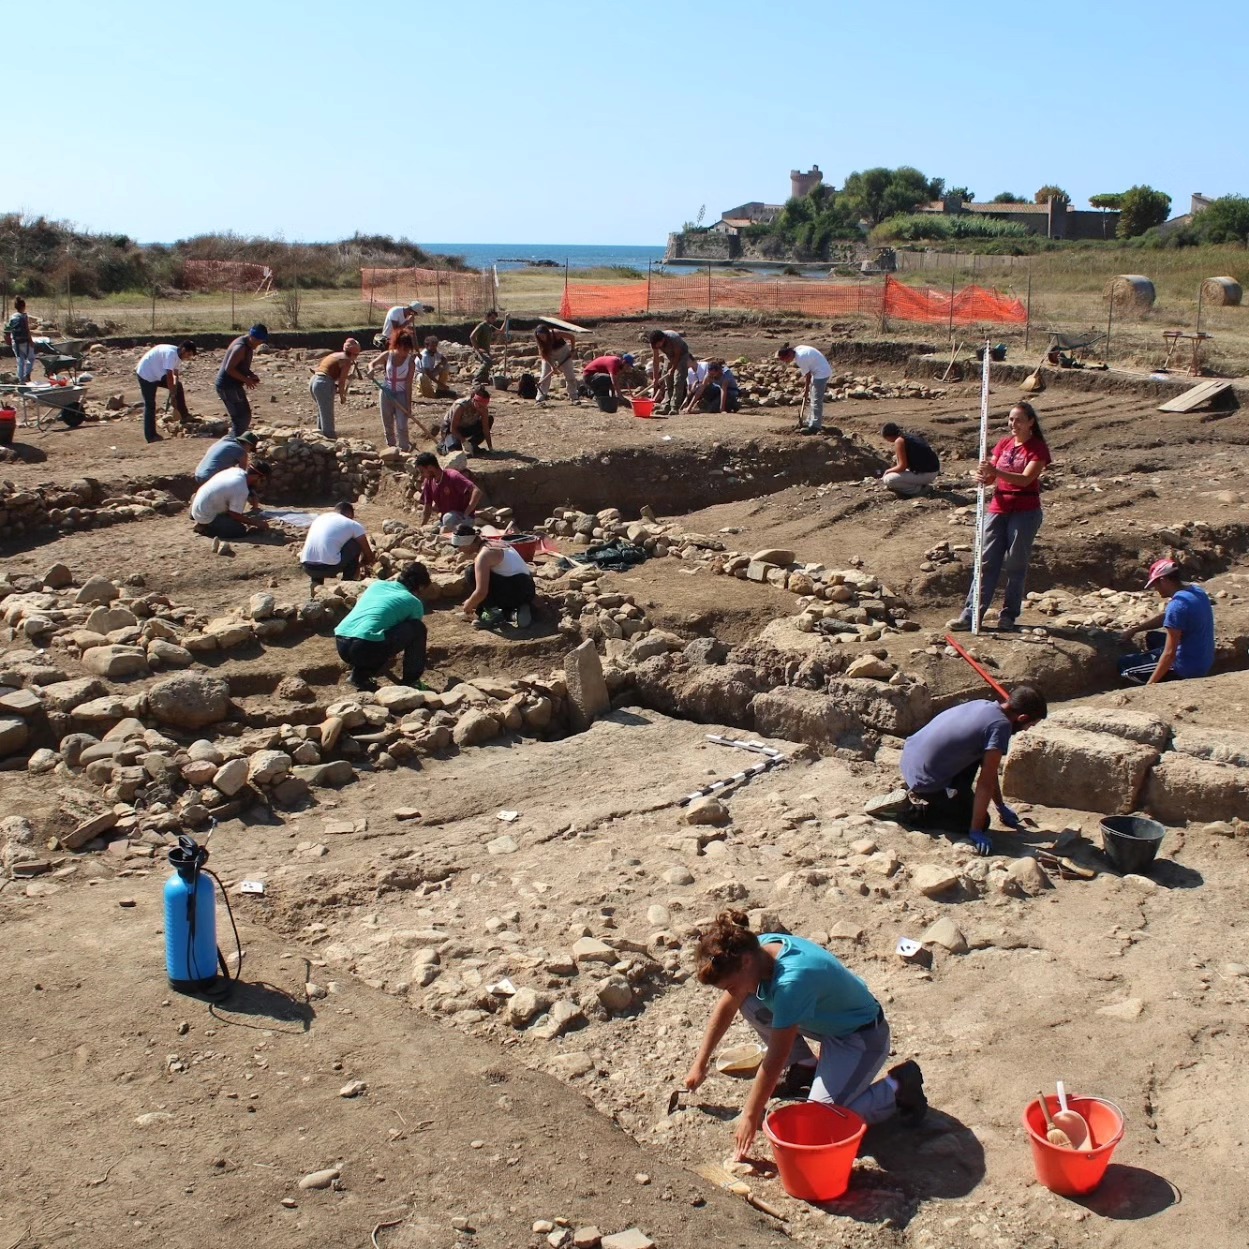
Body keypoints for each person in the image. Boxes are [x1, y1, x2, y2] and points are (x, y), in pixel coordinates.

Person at [684, 911, 926, 1162]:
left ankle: (897, 1088)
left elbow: (776, 1057)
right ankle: (805, 1066)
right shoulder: (755, 949)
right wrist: (700, 1063)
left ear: (745, 961)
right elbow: (727, 1006)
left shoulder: (790, 982)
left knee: (822, 1120)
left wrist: (750, 1114)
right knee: (747, 1001)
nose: (731, 992)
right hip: (826, 1021)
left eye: (730, 985)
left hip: (861, 1036)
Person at [866, 686, 1048, 856]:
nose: (1027, 729)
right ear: (1022, 718)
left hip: (911, 760)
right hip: (925, 780)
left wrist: (1000, 806)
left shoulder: (983, 704)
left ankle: (942, 796)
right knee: (980, 821)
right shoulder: (1000, 727)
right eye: (1030, 725)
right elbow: (985, 783)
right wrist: (976, 829)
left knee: (977, 759)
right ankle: (908, 811)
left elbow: (989, 771)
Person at [948, 401, 1051, 632]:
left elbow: (1025, 479)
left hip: (1025, 511)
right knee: (986, 561)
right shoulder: (1004, 444)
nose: (1013, 424)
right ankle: (971, 614)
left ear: (1030, 422)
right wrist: (984, 477)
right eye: (1011, 419)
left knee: (1015, 563)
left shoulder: (1037, 448)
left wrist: (995, 471)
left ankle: (1009, 615)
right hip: (999, 507)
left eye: (1018, 420)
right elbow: (991, 476)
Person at [334, 563, 431, 692]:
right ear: (420, 586)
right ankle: (412, 681)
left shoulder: (377, 585)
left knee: (376, 633)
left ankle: (359, 677)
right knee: (418, 629)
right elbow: (410, 635)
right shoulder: (414, 602)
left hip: (341, 642)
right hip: (364, 647)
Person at [1119, 559, 1216, 685]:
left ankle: (1160, 678)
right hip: (1203, 659)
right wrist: (1135, 630)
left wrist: (1150, 685)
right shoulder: (1197, 592)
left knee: (1124, 666)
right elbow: (1168, 618)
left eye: (1155, 584)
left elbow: (1169, 654)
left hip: (1186, 668)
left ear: (1163, 580)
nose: (1155, 589)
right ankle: (1152, 660)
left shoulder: (1177, 605)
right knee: (1152, 637)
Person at [452, 525, 537, 628]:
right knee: (483, 574)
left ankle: (493, 614)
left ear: (467, 543)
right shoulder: (495, 543)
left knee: (471, 572)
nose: (459, 550)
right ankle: (513, 613)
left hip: (516, 592)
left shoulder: (484, 555)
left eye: (459, 546)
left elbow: (481, 592)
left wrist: (469, 604)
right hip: (527, 589)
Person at [189, 461, 271, 541]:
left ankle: (194, 513)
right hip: (206, 515)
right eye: (262, 480)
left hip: (201, 503)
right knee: (239, 530)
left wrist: (253, 497)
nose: (262, 484)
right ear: (257, 477)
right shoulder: (240, 488)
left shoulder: (236, 471)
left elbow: (245, 488)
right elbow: (235, 515)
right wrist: (257, 523)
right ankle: (204, 528)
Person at [300, 501, 374, 589]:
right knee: (355, 543)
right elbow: (367, 552)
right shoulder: (353, 524)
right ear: (350, 513)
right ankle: (348, 584)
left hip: (307, 567)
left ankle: (316, 584)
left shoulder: (320, 518)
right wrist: (364, 563)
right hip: (328, 568)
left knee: (325, 546)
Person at [135, 340, 196, 442]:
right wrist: (172, 395)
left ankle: (184, 415)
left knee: (178, 386)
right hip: (146, 374)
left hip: (156, 372)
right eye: (188, 354)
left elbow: (175, 374)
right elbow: (169, 376)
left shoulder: (178, 356)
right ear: (184, 350)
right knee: (150, 404)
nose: (188, 357)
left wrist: (174, 390)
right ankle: (150, 436)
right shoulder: (171, 354)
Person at [367, 329, 416, 451]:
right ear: (397, 345)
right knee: (387, 422)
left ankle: (404, 449)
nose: (406, 352)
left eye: (408, 349)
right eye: (404, 349)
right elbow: (371, 364)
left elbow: (408, 384)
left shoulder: (410, 362)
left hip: (401, 395)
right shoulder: (387, 355)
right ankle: (391, 447)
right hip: (386, 393)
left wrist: (408, 405)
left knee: (402, 425)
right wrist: (371, 370)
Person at [215, 324, 268, 435]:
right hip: (228, 387)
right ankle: (234, 441)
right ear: (252, 337)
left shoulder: (247, 344)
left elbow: (241, 366)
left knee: (243, 416)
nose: (259, 344)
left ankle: (235, 440)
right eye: (258, 341)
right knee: (241, 418)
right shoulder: (240, 348)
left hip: (232, 385)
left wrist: (250, 375)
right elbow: (229, 369)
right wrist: (246, 380)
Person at [416, 452, 482, 530]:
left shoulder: (452, 476)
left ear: (430, 467)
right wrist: (422, 526)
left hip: (462, 519)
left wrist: (466, 514)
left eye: (422, 472)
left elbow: (477, 491)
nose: (421, 475)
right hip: (447, 520)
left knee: (448, 519)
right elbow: (427, 506)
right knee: (437, 527)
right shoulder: (429, 482)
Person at [309, 338, 361, 438]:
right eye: (357, 355)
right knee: (327, 416)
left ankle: (320, 437)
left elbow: (334, 373)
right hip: (323, 384)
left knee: (322, 412)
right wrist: (342, 396)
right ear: (353, 353)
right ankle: (330, 440)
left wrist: (349, 377)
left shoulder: (335, 355)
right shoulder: (347, 361)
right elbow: (341, 382)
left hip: (314, 381)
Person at [777, 343, 832, 435]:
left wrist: (806, 389)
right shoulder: (797, 350)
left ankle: (815, 426)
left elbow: (808, 375)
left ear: (789, 354)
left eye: (785, 360)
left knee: (816, 400)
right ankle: (810, 421)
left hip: (821, 373)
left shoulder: (800, 358)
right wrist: (807, 388)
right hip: (818, 370)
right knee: (813, 398)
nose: (786, 362)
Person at [880, 422, 940, 497]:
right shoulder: (909, 436)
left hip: (926, 474)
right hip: (932, 471)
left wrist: (887, 471)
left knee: (888, 479)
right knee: (896, 461)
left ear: (888, 436)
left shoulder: (899, 441)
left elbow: (902, 467)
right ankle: (919, 484)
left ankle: (918, 490)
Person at [649, 329, 693, 415]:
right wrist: (655, 378)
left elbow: (677, 355)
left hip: (681, 356)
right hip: (669, 355)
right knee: (667, 381)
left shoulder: (674, 338)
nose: (657, 347)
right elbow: (656, 360)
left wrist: (673, 369)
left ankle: (674, 408)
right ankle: (666, 406)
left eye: (658, 344)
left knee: (678, 380)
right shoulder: (654, 343)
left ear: (662, 340)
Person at [439, 386, 493, 455]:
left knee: (489, 419)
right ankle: (445, 444)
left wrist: (490, 447)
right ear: (474, 400)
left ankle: (472, 445)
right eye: (479, 406)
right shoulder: (461, 406)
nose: (481, 408)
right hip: (451, 429)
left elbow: (486, 429)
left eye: (483, 406)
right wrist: (464, 441)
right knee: (454, 448)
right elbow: (453, 429)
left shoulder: (483, 409)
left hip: (467, 427)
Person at [534, 324, 580, 405]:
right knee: (544, 375)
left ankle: (574, 397)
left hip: (563, 352)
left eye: (543, 336)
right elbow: (544, 354)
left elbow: (572, 337)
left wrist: (572, 350)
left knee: (570, 375)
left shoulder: (556, 333)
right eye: (539, 337)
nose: (541, 338)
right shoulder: (540, 341)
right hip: (549, 354)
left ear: (547, 333)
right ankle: (540, 398)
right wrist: (552, 366)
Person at [194, 430, 258, 483]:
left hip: (198, 473)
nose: (249, 451)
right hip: (209, 477)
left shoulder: (224, 441)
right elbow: (242, 474)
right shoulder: (241, 451)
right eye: (250, 449)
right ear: (248, 444)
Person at [4, 297, 36, 384]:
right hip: (25, 342)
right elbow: (27, 330)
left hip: (15, 342)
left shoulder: (12, 317)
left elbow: (9, 329)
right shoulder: (24, 316)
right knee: (31, 358)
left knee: (20, 361)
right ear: (23, 306)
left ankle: (20, 380)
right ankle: (27, 375)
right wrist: (31, 341)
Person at [416, 335, 455, 399]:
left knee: (446, 366)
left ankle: (440, 390)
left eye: (435, 346)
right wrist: (441, 384)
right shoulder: (424, 356)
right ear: (427, 346)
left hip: (431, 372)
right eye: (432, 346)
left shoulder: (434, 352)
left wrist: (441, 364)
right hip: (423, 375)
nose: (434, 348)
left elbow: (444, 359)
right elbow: (428, 374)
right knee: (422, 377)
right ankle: (428, 392)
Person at [469, 310, 503, 384]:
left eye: (495, 318)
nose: (494, 320)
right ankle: (476, 379)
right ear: (487, 317)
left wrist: (506, 319)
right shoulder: (481, 326)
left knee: (488, 364)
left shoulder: (490, 327)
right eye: (492, 318)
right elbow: (472, 336)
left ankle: (483, 379)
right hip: (480, 350)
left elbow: (501, 331)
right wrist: (478, 349)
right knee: (488, 362)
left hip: (486, 350)